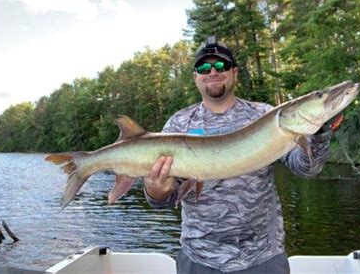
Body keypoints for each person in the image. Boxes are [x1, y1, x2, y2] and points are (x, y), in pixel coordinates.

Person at [144, 36, 338, 274]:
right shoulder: (178, 124)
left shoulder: (265, 115)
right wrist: (156, 189)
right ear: (196, 76)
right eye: (204, 67)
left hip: (263, 257)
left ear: (235, 72)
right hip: (199, 257)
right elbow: (162, 200)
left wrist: (319, 134)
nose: (213, 72)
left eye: (221, 65)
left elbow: (306, 169)